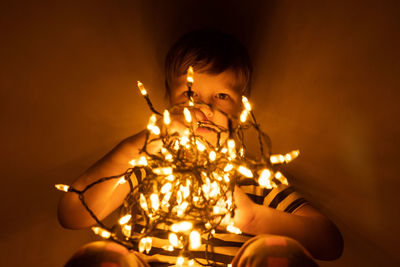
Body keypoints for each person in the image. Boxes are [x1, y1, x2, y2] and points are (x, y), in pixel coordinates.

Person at [58, 29, 343, 267]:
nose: (205, 109)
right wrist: (140, 145)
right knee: (104, 256)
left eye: (222, 96)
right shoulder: (148, 170)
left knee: (273, 253)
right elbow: (73, 213)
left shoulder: (253, 182)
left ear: (243, 108)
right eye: (190, 94)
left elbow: (330, 243)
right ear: (168, 99)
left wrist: (252, 218)